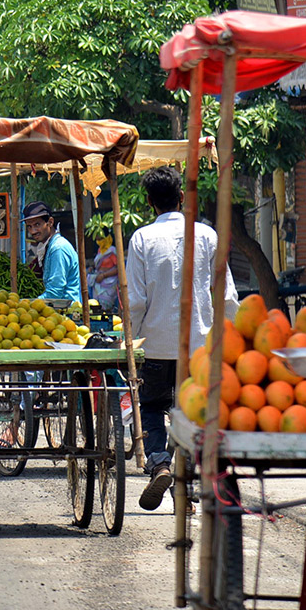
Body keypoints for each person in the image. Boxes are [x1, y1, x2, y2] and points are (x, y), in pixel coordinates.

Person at [127, 165, 238, 510]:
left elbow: (135, 301)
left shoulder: (141, 239)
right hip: (199, 348)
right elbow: (227, 296)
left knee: (152, 406)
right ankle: (184, 484)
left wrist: (130, 338)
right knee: (191, 414)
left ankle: (159, 463)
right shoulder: (206, 236)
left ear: (149, 203)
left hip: (155, 346)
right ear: (181, 198)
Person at [22, 201, 81, 301]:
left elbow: (55, 293)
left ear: (50, 222)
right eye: (29, 226)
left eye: (37, 224)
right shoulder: (49, 247)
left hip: (67, 312)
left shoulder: (58, 249)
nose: (33, 231)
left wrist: (29, 304)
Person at [91, 235, 120, 312]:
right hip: (98, 280)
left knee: (107, 307)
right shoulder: (100, 250)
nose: (99, 241)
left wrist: (104, 275)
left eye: (101, 239)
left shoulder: (112, 251)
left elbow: (119, 269)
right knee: (96, 305)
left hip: (109, 282)